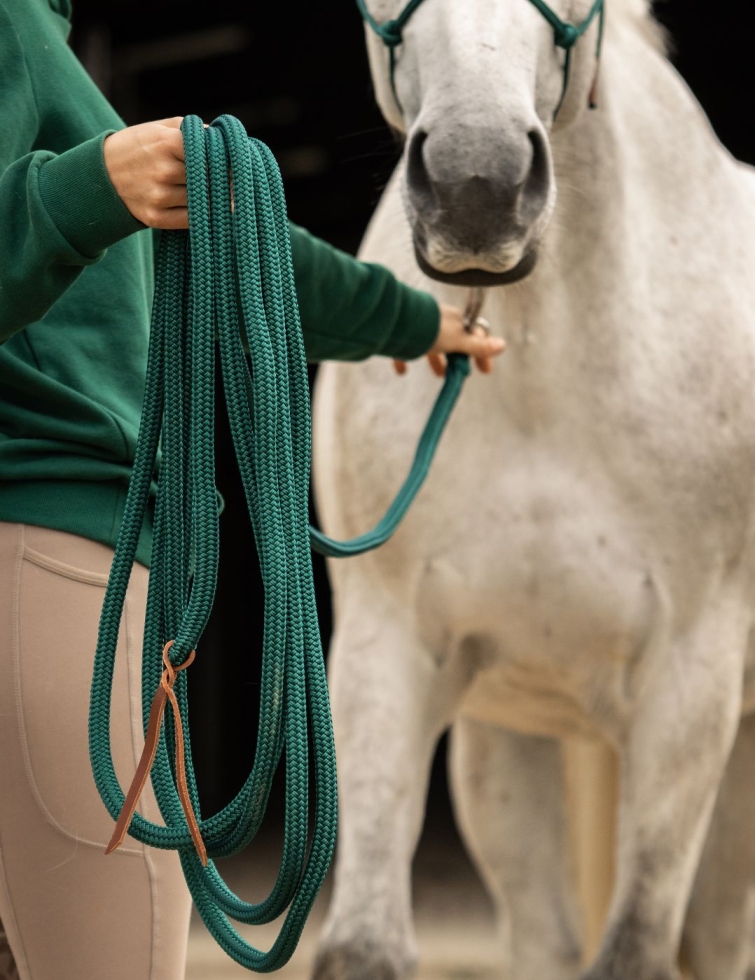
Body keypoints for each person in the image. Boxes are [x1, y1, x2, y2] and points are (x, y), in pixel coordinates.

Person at [0, 1, 505, 978]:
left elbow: (248, 241)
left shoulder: (47, 47)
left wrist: (410, 320)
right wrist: (85, 189)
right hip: (50, 551)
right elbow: (96, 204)